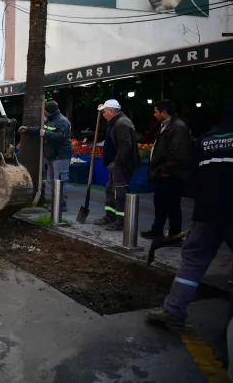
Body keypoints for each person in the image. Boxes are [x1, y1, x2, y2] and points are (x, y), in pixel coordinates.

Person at [146, 99, 233, 328]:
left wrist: (204, 206)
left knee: (192, 262)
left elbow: (194, 178)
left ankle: (174, 310)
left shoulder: (207, 140)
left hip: (206, 212)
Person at [142, 99, 193, 240]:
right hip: (163, 173)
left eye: (156, 112)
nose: (154, 115)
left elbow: (178, 153)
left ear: (163, 112)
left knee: (172, 205)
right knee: (160, 203)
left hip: (171, 174)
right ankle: (157, 230)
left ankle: (174, 235)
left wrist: (165, 170)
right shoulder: (166, 126)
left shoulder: (178, 127)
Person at [94, 99, 141, 231]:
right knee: (110, 190)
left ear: (110, 111)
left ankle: (120, 221)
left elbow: (126, 146)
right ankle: (111, 216)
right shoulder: (116, 122)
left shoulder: (122, 123)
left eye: (104, 112)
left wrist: (117, 163)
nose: (103, 114)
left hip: (122, 165)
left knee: (119, 193)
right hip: (117, 164)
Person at [19, 101, 72, 211]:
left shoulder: (63, 121)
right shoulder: (50, 120)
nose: (43, 112)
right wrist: (28, 129)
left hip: (60, 156)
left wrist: (46, 133)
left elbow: (61, 136)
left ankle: (61, 205)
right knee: (52, 181)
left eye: (44, 110)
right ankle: (55, 203)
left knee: (60, 180)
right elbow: (42, 129)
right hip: (51, 155)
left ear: (49, 112)